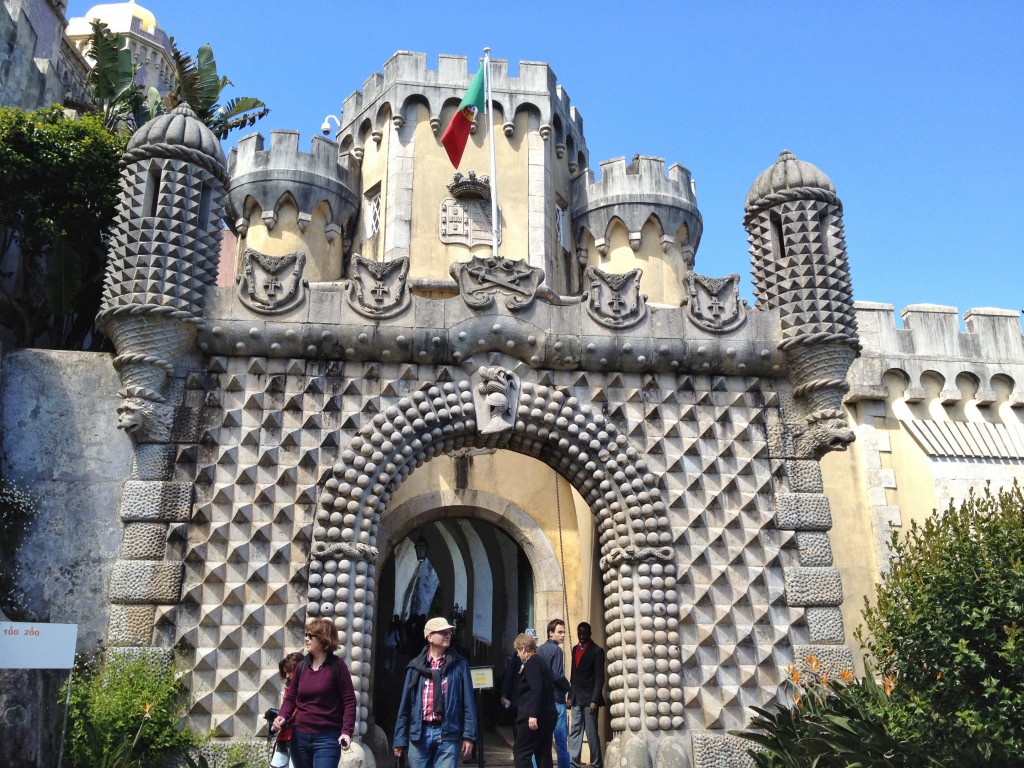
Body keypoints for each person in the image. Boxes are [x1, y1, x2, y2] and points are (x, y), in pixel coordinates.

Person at [393, 616, 477, 768]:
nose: (448, 634)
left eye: (449, 632)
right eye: (442, 632)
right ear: (429, 637)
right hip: (419, 733)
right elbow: (405, 705)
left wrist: (469, 736)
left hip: (448, 734)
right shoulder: (415, 667)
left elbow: (468, 703)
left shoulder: (460, 665)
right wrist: (399, 739)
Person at [273, 618, 357, 768]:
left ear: (323, 640)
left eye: (311, 636)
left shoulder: (338, 667)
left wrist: (346, 731)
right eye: (306, 635)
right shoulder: (301, 666)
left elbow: (349, 701)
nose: (306, 639)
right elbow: (291, 698)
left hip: (327, 739)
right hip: (300, 738)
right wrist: (282, 716)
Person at [512, 632, 557, 768]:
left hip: (534, 717)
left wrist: (533, 714)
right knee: (543, 754)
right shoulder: (541, 661)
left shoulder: (531, 663)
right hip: (548, 715)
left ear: (524, 648)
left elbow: (536, 689)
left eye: (518, 651)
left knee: (521, 752)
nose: (518, 655)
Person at [568, 623, 604, 768]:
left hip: (590, 700)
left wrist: (595, 700)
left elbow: (599, 678)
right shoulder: (574, 649)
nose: (582, 637)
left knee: (591, 734)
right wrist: (570, 694)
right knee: (575, 732)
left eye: (584, 634)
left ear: (590, 633)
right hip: (576, 698)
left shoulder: (597, 651)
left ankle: (596, 764)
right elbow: (573, 674)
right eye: (580, 634)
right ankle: (573, 763)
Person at [536, 619, 570, 768]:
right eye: (560, 632)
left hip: (541, 700)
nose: (563, 635)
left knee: (540, 741)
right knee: (561, 741)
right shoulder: (557, 650)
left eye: (564, 632)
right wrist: (569, 687)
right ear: (551, 633)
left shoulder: (539, 650)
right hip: (556, 698)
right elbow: (557, 675)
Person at [272, 651, 305, 768]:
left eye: (290, 672)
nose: (287, 676)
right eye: (286, 672)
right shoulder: (288, 689)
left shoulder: (307, 688)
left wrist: (288, 716)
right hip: (284, 736)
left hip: (300, 737)